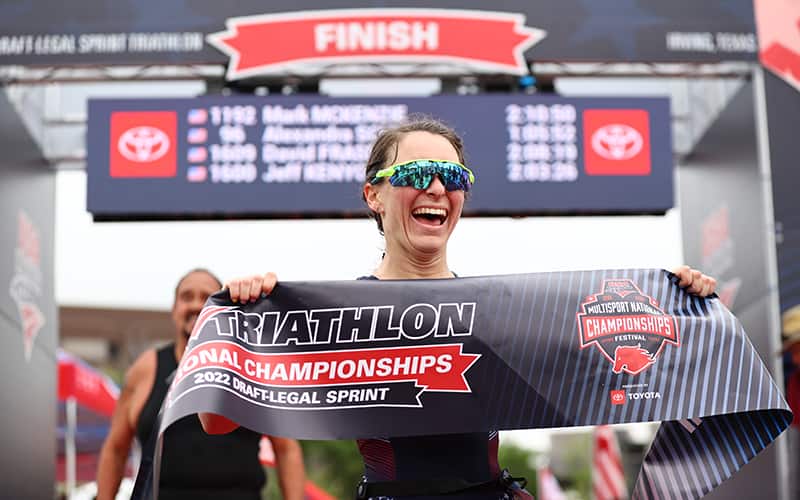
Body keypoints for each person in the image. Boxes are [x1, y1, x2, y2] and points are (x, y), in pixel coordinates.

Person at [200, 117, 718, 498]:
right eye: (416, 172)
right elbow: (215, 422)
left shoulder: (500, 315)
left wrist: (676, 307)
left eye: (454, 176)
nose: (436, 188)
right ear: (373, 196)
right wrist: (243, 317)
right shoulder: (338, 317)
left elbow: (632, 374)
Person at [96, 268, 306, 500]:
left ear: (222, 308)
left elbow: (286, 449)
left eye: (206, 297)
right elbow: (116, 449)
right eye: (187, 297)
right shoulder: (145, 369)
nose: (196, 305)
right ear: (174, 309)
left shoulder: (249, 365)